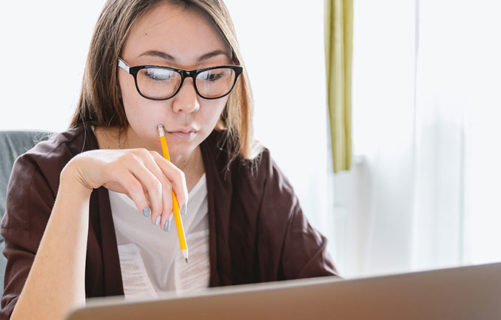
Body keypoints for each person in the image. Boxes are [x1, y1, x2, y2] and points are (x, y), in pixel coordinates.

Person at [0, 0, 337, 319]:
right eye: (159, 74)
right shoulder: (46, 175)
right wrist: (77, 184)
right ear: (112, 73)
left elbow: (337, 302)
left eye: (212, 74)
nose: (188, 104)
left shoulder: (248, 170)